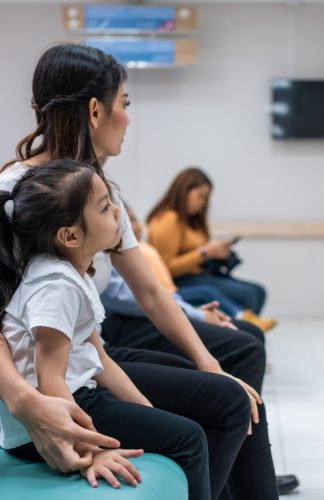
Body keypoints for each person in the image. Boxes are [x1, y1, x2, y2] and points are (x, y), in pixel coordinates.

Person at [0, 42, 284, 499]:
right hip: (56, 375)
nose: (129, 118)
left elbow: (151, 293)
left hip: (92, 357)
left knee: (235, 389)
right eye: (124, 104)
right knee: (222, 409)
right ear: (96, 110)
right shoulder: (17, 193)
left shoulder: (98, 192)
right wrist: (21, 398)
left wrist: (208, 364)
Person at [0, 160, 211, 497]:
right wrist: (92, 452)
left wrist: (148, 414)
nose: (117, 212)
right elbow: (50, 379)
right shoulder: (56, 286)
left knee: (174, 425)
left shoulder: (70, 275)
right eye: (104, 207)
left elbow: (99, 357)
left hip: (78, 399)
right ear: (70, 235)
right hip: (46, 423)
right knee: (189, 438)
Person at [147, 167, 277, 333]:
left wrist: (216, 253)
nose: (203, 203)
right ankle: (244, 337)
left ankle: (252, 339)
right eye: (200, 197)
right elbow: (166, 269)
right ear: (184, 191)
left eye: (206, 198)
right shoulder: (169, 219)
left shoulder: (190, 219)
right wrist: (204, 252)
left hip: (200, 274)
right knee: (247, 295)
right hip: (180, 280)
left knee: (258, 291)